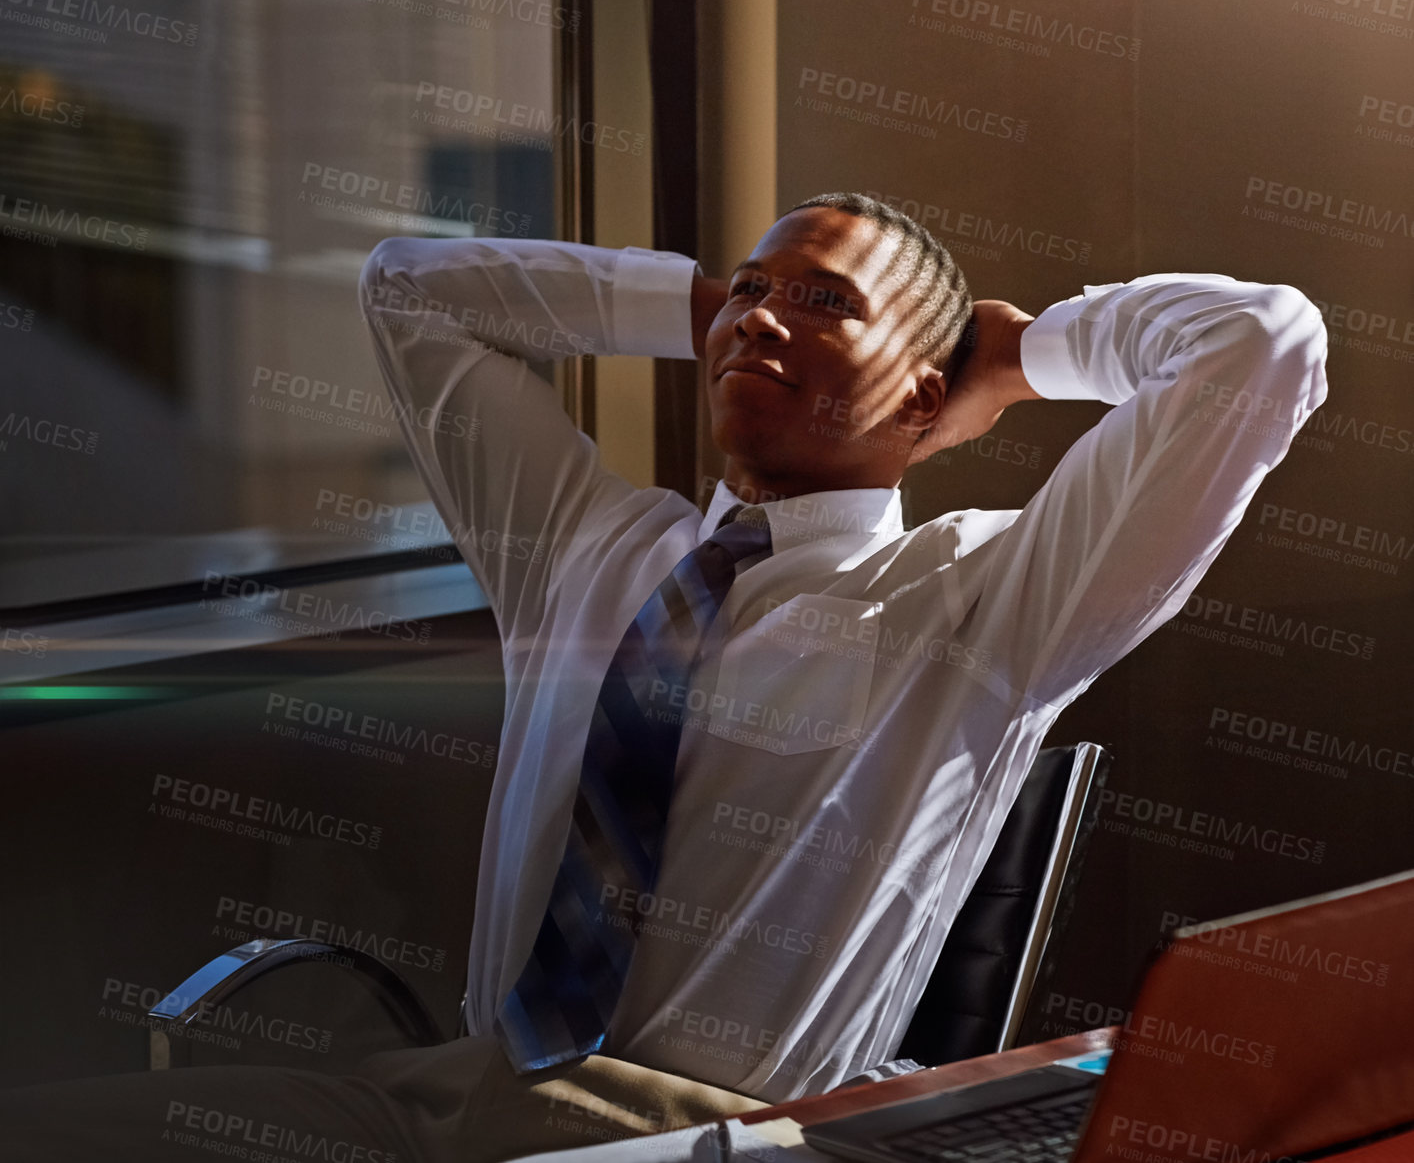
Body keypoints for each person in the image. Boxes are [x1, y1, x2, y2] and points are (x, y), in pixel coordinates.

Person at [3, 192, 1328, 1161]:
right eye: (750, 290)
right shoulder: (583, 549)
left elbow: (1262, 344)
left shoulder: (986, 598)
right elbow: (410, 289)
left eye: (823, 300)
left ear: (927, 400)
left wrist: (1026, 352)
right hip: (446, 1097)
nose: (761, 315)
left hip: (701, 1137)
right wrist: (704, 306)